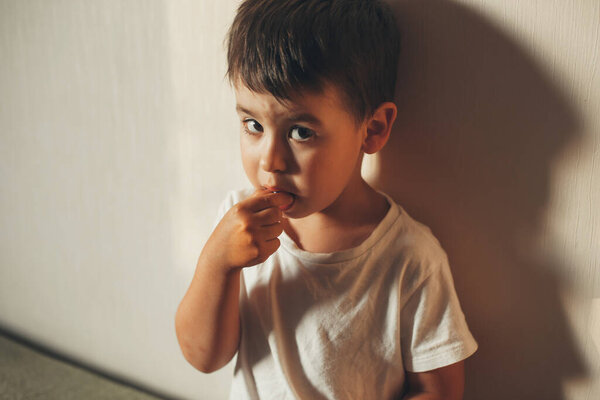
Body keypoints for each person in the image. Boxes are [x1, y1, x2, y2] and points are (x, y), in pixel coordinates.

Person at [175, 0, 478, 398]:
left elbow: (439, 392)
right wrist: (218, 263)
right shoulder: (237, 226)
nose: (270, 160)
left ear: (372, 129)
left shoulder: (409, 259)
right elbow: (204, 358)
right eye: (253, 125)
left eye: (300, 132)